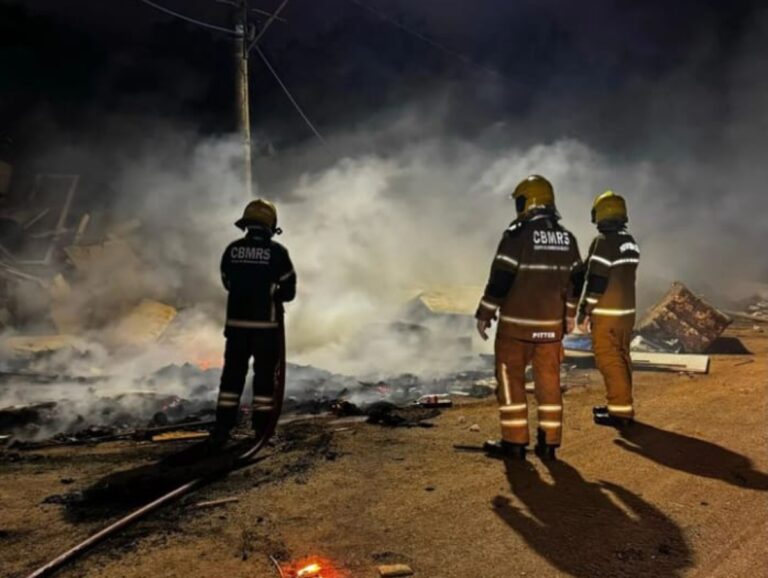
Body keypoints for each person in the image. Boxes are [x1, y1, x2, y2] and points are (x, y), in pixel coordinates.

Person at [476, 175, 584, 461]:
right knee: (549, 384)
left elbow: (501, 278)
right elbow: (576, 281)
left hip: (516, 329)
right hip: (551, 330)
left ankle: (514, 443)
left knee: (511, 381)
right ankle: (549, 444)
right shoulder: (568, 239)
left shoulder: (517, 235)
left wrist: (485, 313)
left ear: (528, 201)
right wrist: (569, 316)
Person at [211, 199, 296, 444]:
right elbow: (289, 289)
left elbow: (227, 282)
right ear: (271, 224)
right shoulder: (277, 253)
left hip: (236, 326)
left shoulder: (232, 250)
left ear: (247, 223)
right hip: (265, 328)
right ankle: (261, 431)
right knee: (265, 380)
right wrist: (274, 295)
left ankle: (222, 429)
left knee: (231, 379)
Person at [578, 190, 639, 427]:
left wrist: (584, 310)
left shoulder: (603, 243)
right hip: (626, 314)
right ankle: (619, 404)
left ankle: (621, 413)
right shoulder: (629, 242)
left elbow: (596, 280)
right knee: (622, 358)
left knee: (609, 361)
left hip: (607, 315)